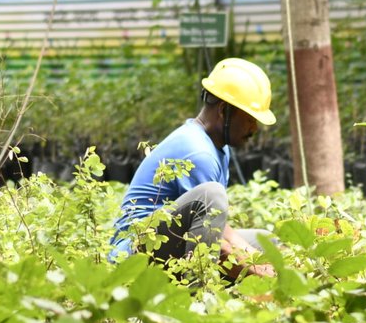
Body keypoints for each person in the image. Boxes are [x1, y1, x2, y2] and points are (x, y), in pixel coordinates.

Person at [109, 58, 277, 279]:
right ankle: (197, 295)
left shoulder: (217, 146)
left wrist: (264, 262)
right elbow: (220, 246)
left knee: (267, 242)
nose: (254, 128)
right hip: (133, 256)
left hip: (168, 243)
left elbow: (219, 230)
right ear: (224, 111)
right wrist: (269, 275)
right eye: (249, 119)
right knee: (213, 196)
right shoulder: (199, 152)